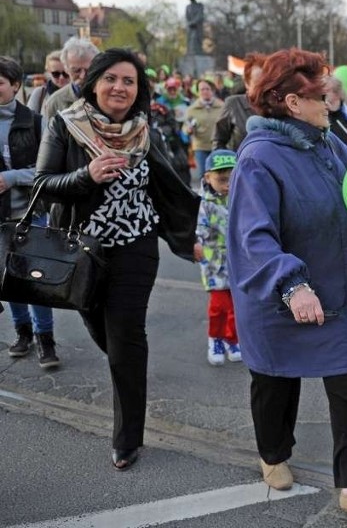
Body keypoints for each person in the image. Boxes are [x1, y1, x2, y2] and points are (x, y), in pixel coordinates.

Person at [227, 48, 347, 522]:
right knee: (276, 387)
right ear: (292, 102)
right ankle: (274, 455)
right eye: (321, 94)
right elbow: (252, 238)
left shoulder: (329, 143)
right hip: (282, 300)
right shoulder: (258, 158)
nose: (330, 102)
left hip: (340, 296)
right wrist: (293, 285)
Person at [35, 48, 200, 470]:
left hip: (136, 246)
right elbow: (43, 184)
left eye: (129, 81)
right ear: (93, 83)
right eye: (111, 78)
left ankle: (127, 437)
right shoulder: (65, 124)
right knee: (99, 325)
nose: (119, 87)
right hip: (82, 248)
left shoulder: (146, 131)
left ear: (138, 89)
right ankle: (127, 369)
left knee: (127, 337)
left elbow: (168, 187)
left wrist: (193, 235)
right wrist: (84, 176)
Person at [0, 56, 59, 369]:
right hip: (0, 217)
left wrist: (11, 178)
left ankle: (45, 339)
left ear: (14, 86)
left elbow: (44, 169)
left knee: (35, 279)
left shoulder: (35, 121)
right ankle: (22, 333)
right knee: (10, 280)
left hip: (31, 213)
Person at [194, 149, 241, 366]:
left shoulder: (241, 197)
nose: (228, 184)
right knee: (219, 305)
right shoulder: (205, 202)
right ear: (207, 178)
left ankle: (233, 338)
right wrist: (197, 244)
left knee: (237, 305)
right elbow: (200, 229)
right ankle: (216, 338)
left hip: (239, 262)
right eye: (222, 179)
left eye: (233, 178)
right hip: (214, 264)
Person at [42, 38, 100, 122]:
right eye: (76, 70)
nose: (82, 76)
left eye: (88, 70)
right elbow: (48, 133)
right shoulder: (55, 102)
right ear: (66, 69)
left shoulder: (109, 95)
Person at [213, 53, 263, 150]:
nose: (263, 87)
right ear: (247, 83)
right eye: (258, 83)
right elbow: (219, 140)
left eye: (267, 82)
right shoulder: (233, 104)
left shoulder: (278, 105)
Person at [184, 78, 224, 180]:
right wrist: (188, 130)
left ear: (213, 90)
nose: (205, 92)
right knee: (204, 175)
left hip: (218, 145)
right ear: (198, 92)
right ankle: (205, 195)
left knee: (219, 175)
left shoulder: (222, 106)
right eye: (202, 89)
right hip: (201, 146)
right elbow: (185, 127)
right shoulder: (192, 109)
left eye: (207, 89)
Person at [27, 51, 70, 115]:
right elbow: (29, 120)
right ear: (48, 72)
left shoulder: (79, 93)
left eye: (65, 73)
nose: (61, 77)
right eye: (56, 74)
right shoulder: (40, 93)